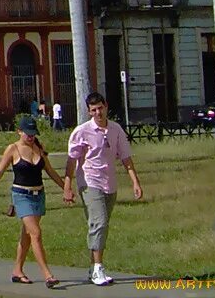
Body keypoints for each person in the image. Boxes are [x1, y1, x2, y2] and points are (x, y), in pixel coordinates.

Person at [0, 115, 68, 288]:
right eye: (27, 133)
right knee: (36, 233)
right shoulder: (13, 149)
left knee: (27, 236)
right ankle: (48, 275)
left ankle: (17, 271)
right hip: (21, 195)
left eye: (33, 133)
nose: (30, 136)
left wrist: (66, 188)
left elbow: (50, 171)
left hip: (38, 195)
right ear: (19, 131)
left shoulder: (38, 148)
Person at [63, 92, 143, 286]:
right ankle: (99, 267)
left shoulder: (116, 130)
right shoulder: (81, 132)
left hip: (110, 184)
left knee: (101, 226)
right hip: (90, 183)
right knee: (99, 223)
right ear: (89, 112)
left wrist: (135, 182)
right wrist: (67, 186)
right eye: (93, 110)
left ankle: (93, 268)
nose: (98, 113)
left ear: (106, 106)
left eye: (100, 108)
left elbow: (125, 158)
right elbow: (72, 161)